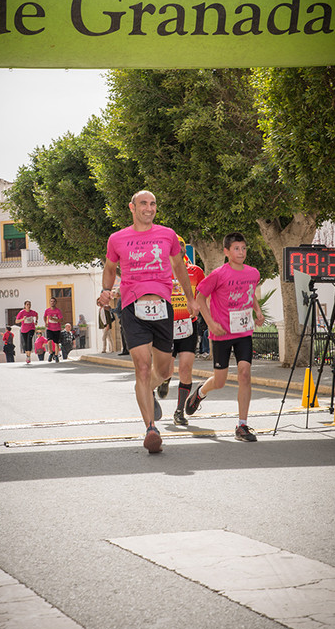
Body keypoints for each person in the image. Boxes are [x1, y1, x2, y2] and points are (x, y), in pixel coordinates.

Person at [97, 189, 198, 454]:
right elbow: (109, 268)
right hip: (132, 306)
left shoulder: (168, 235)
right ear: (132, 207)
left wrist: (190, 299)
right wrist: (105, 291)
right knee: (142, 368)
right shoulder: (118, 238)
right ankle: (151, 429)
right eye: (143, 203)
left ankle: (151, 388)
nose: (149, 208)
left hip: (163, 306)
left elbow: (179, 267)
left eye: (153, 203)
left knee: (164, 371)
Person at [185, 232, 265, 442]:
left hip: (244, 332)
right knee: (220, 382)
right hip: (221, 333)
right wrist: (211, 323)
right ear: (226, 252)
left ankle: (242, 425)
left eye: (244, 248)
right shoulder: (218, 274)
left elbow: (250, 293)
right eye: (236, 248)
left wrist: (257, 311)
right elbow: (200, 298)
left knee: (245, 373)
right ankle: (200, 392)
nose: (241, 252)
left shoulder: (253, 273)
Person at [156, 236, 205, 426]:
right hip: (166, 327)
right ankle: (164, 380)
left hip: (188, 325)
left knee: (185, 368)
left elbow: (203, 294)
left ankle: (179, 411)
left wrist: (200, 308)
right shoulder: (159, 272)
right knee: (165, 370)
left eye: (181, 248)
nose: (179, 251)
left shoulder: (195, 271)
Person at [15, 300, 38, 364]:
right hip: (24, 330)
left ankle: (29, 356)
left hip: (31, 328)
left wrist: (36, 321)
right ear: (25, 306)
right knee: (25, 343)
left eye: (29, 304)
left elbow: (36, 315)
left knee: (29, 341)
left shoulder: (32, 312)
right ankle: (27, 355)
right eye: (27, 304)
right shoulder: (21, 312)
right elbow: (16, 321)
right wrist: (23, 319)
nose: (28, 306)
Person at [44, 297, 63, 362]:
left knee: (56, 343)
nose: (52, 302)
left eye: (53, 301)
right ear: (49, 302)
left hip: (57, 328)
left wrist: (53, 319)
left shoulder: (58, 311)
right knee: (49, 341)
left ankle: (56, 355)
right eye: (51, 301)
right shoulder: (47, 310)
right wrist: (45, 322)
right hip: (49, 328)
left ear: (55, 303)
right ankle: (51, 353)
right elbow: (44, 316)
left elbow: (61, 320)